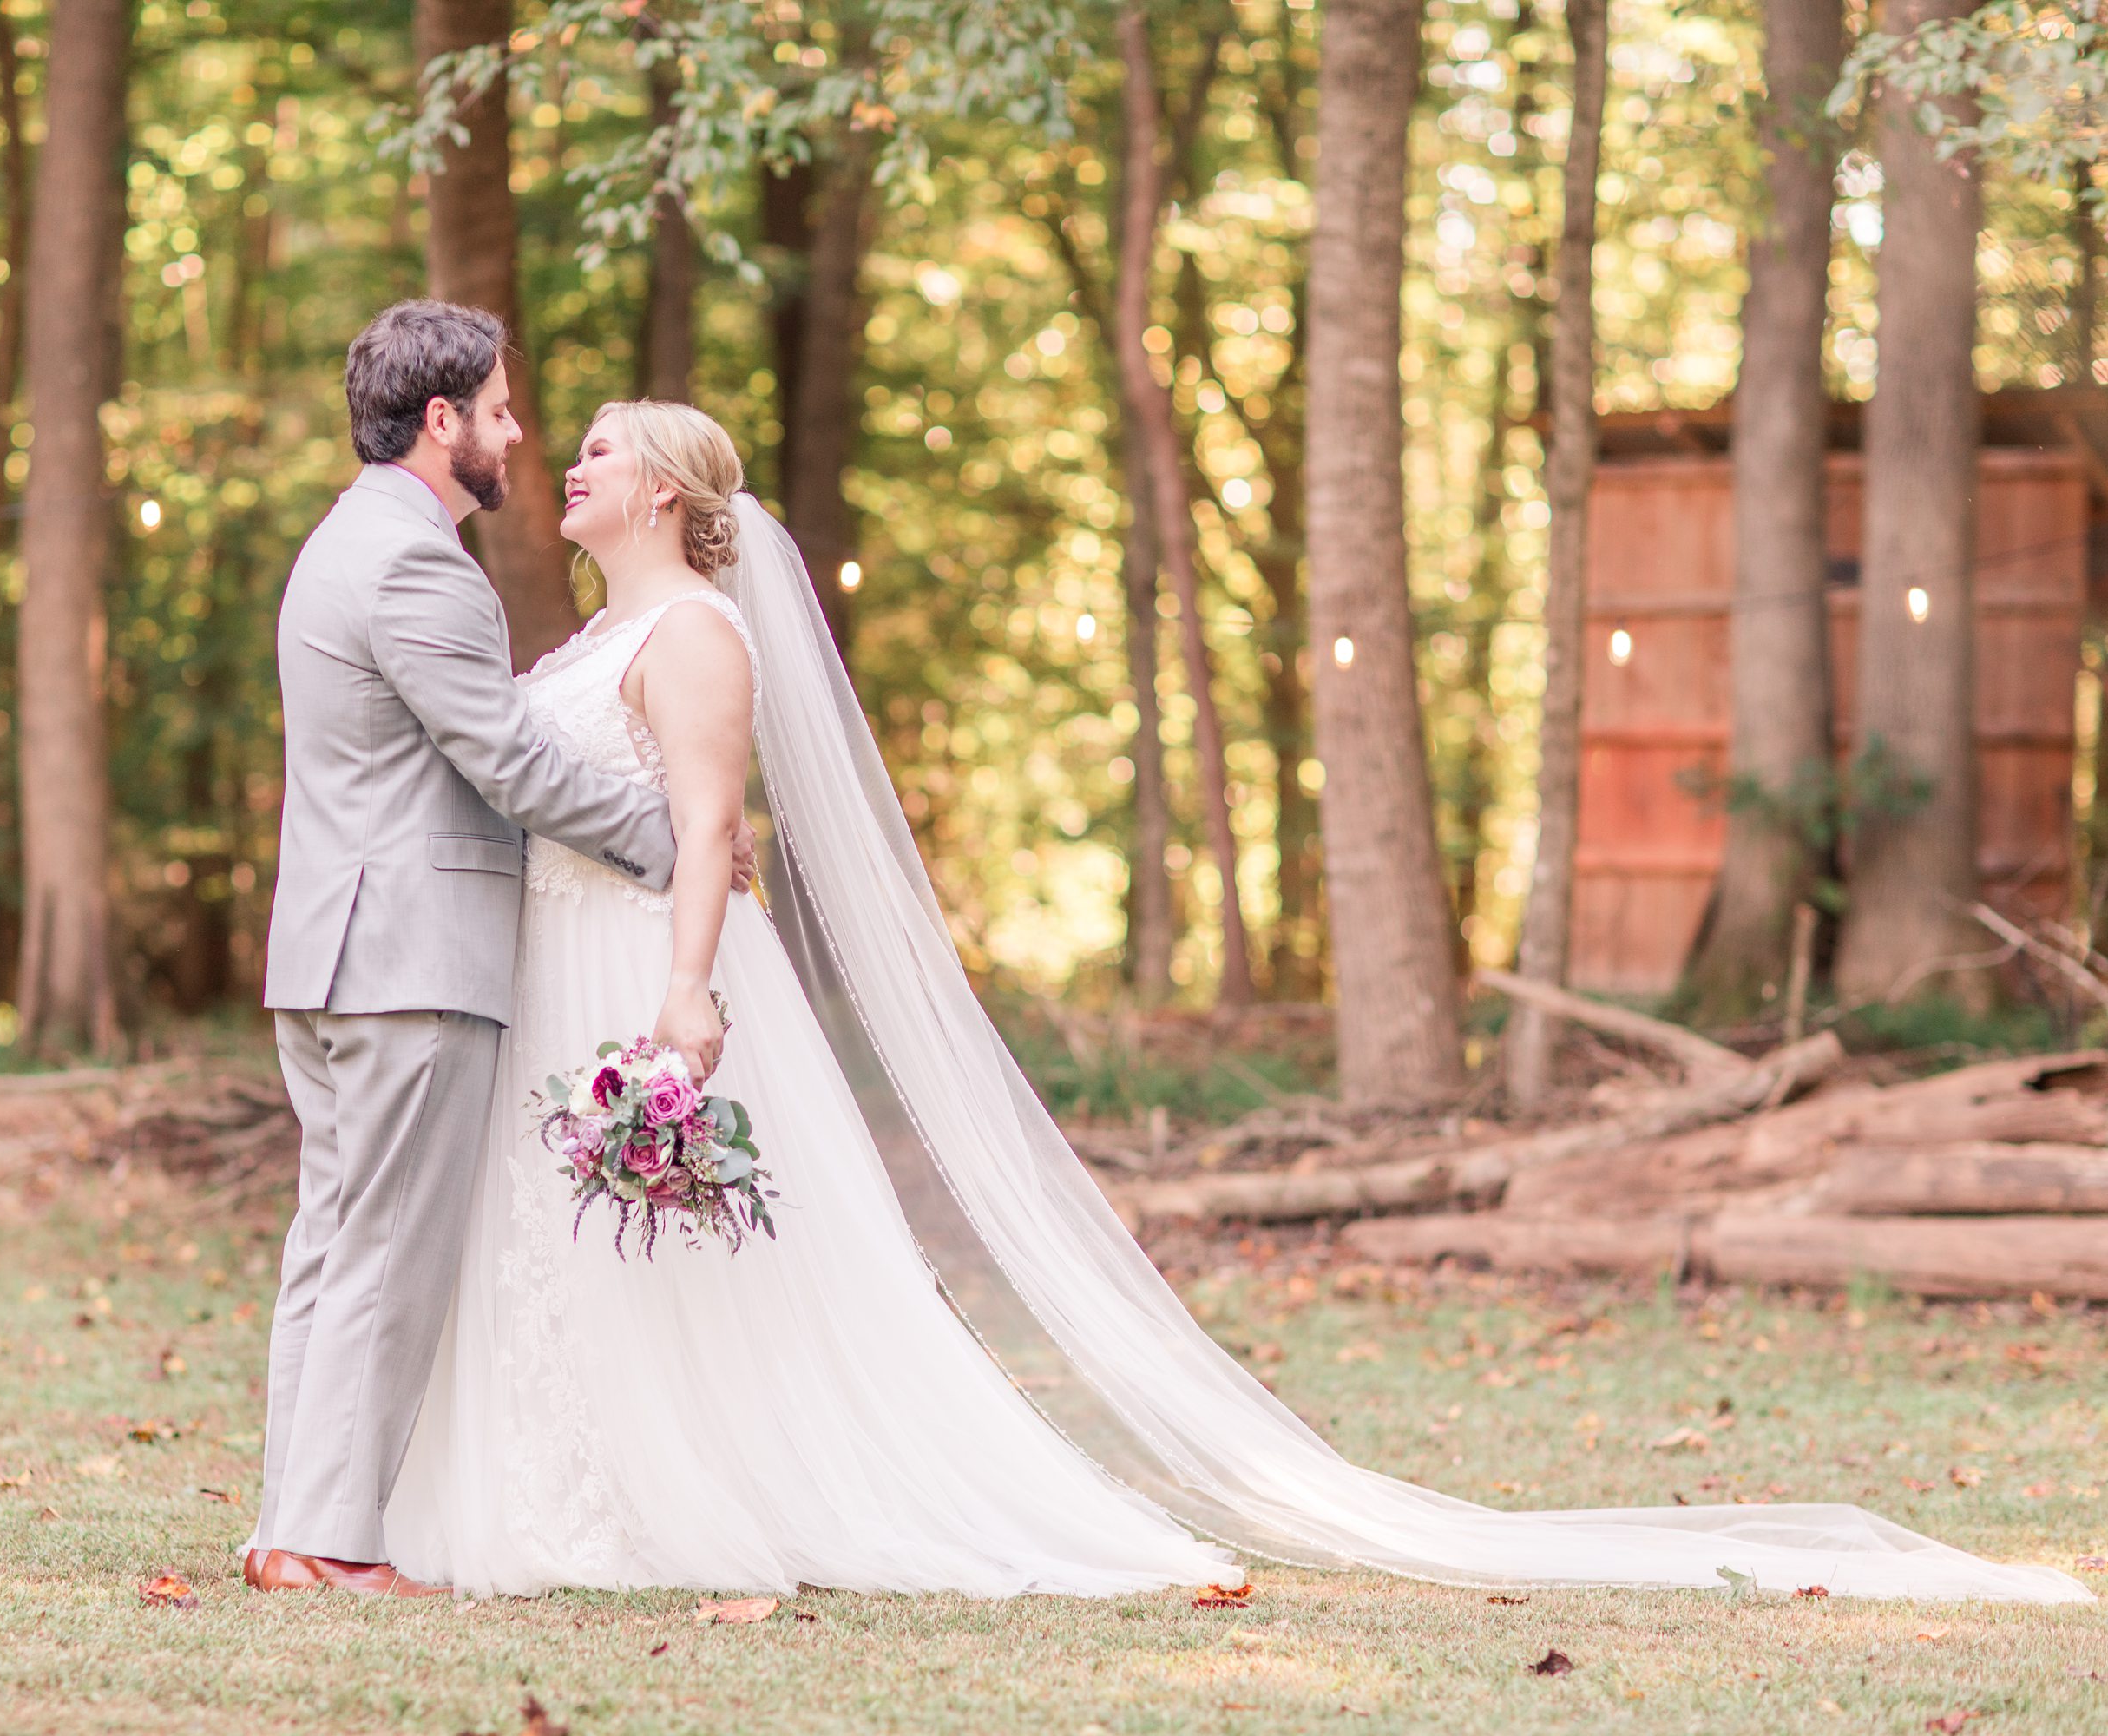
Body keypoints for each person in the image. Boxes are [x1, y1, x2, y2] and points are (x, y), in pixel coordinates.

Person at [380, 398, 2089, 1606]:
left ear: (674, 495)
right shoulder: (586, 639)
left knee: (695, 1253)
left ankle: (691, 1498)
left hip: (650, 972)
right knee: (592, 1254)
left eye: (600, 447)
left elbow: (706, 830)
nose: (570, 462)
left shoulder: (693, 641)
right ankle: (581, 1487)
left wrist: (683, 995)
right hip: (565, 963)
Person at [240, 304, 752, 1597]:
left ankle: (290, 1532)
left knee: (336, 1244)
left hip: (337, 951)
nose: (519, 435)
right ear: (443, 420)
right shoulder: (415, 562)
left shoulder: (347, 539)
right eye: (505, 411)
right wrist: (667, 839)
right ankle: (335, 1543)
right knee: (386, 1253)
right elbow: (508, 760)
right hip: (408, 959)